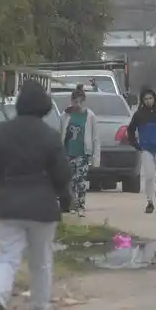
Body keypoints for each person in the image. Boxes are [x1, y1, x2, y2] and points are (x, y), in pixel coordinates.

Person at [0, 80, 73, 310]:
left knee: (7, 257)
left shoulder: (1, 132)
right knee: (41, 261)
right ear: (44, 106)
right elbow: (62, 173)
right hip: (42, 207)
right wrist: (64, 197)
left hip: (7, 205)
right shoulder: (49, 136)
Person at [59, 85, 100, 217]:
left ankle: (81, 205)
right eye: (75, 101)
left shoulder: (90, 116)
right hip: (68, 152)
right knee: (71, 180)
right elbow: (61, 133)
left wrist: (95, 157)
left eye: (80, 102)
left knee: (81, 180)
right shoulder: (65, 115)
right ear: (71, 101)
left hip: (83, 153)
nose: (77, 104)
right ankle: (72, 204)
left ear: (84, 101)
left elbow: (95, 138)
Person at [127, 88, 156, 214]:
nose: (148, 101)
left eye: (150, 98)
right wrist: (135, 144)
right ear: (142, 100)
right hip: (146, 149)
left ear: (154, 98)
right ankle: (149, 202)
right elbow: (130, 130)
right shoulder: (139, 115)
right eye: (146, 99)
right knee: (149, 176)